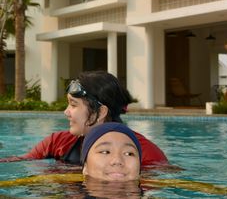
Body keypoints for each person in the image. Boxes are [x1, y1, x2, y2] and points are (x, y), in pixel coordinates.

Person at [0, 71, 168, 166]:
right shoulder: (57, 141)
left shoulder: (145, 153)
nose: (66, 112)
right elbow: (20, 162)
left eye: (73, 105)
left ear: (100, 112)